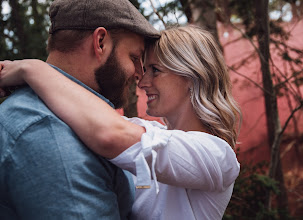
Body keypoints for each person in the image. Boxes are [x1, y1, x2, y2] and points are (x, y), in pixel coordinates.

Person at [0, 26, 241, 219]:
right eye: (143, 69)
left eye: (154, 70)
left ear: (191, 77)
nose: (142, 81)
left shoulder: (219, 157)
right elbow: (86, 114)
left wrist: (32, 69)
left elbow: (109, 133)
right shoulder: (150, 131)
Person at [0, 0, 160, 219]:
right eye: (134, 57)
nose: (139, 74)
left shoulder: (69, 121)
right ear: (100, 42)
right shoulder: (47, 134)